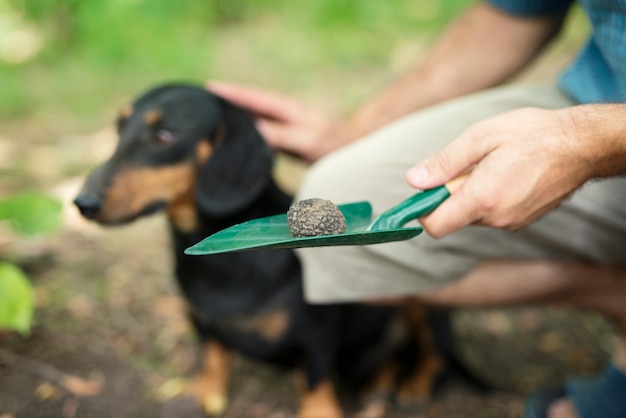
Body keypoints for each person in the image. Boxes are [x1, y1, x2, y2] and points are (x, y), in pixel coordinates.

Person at [209, 1, 626, 417]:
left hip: (598, 130)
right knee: (335, 198)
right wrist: (355, 132)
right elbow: (515, 14)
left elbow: (583, 140)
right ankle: (614, 292)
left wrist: (582, 143)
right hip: (602, 95)